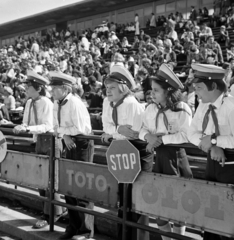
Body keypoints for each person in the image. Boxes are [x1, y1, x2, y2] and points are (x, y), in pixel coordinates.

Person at [139, 64, 192, 240]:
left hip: (176, 157)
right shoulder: (150, 108)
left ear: (168, 91)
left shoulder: (182, 108)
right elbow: (142, 129)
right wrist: (148, 137)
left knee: (179, 205)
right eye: (151, 90)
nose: (151, 94)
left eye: (156, 90)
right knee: (159, 206)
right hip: (159, 158)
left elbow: (187, 135)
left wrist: (162, 139)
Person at [101, 64, 154, 240]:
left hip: (137, 153)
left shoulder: (131, 104)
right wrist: (116, 131)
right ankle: (124, 235)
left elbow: (131, 133)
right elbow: (106, 127)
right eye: (107, 87)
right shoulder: (106, 103)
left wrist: (113, 133)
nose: (108, 91)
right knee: (123, 199)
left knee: (138, 199)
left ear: (123, 88)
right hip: (121, 152)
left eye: (112, 88)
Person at [12, 70, 66, 228]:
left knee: (50, 180)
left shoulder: (47, 103)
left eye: (29, 87)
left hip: (50, 140)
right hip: (39, 141)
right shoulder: (29, 102)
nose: (26, 90)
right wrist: (23, 126)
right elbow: (26, 120)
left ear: (38, 88)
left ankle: (50, 214)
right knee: (41, 180)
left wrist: (27, 129)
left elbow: (47, 126)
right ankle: (53, 211)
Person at [187, 63, 234, 240]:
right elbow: (191, 133)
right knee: (211, 217)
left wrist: (215, 140)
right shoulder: (203, 106)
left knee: (228, 221)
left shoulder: (231, 106)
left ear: (213, 86)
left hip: (230, 165)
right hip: (212, 161)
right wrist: (212, 145)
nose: (195, 92)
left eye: (199, 87)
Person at [49, 71, 94, 240]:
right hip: (66, 142)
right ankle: (73, 227)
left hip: (81, 144)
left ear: (65, 88)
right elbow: (55, 127)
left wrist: (64, 133)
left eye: (55, 88)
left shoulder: (75, 103)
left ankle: (85, 231)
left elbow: (81, 129)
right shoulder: (56, 103)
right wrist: (64, 134)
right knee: (68, 187)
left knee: (81, 188)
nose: (52, 91)